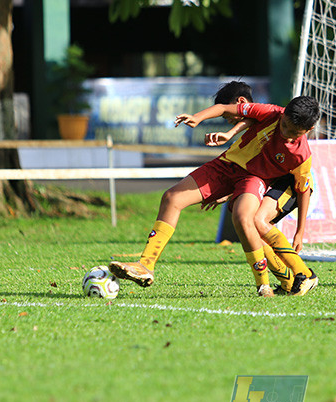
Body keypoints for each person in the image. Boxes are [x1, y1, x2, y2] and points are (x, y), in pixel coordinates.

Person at [108, 83, 320, 297]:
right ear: (283, 114)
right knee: (171, 197)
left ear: (308, 131)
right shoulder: (272, 112)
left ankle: (266, 285)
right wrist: (198, 117)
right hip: (225, 166)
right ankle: (145, 265)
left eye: (294, 133)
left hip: (254, 179)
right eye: (285, 126)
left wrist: (300, 231)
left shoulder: (301, 155)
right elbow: (224, 109)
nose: (286, 134)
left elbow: (303, 189)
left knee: (247, 220)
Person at [206, 121, 313, 294]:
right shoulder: (256, 136)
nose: (229, 121)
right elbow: (250, 173)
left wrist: (300, 231)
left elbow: (304, 189)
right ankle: (288, 282)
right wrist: (227, 192)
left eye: (229, 117)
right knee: (252, 230)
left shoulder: (288, 140)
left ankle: (306, 274)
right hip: (271, 184)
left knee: (257, 220)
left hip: (289, 186)